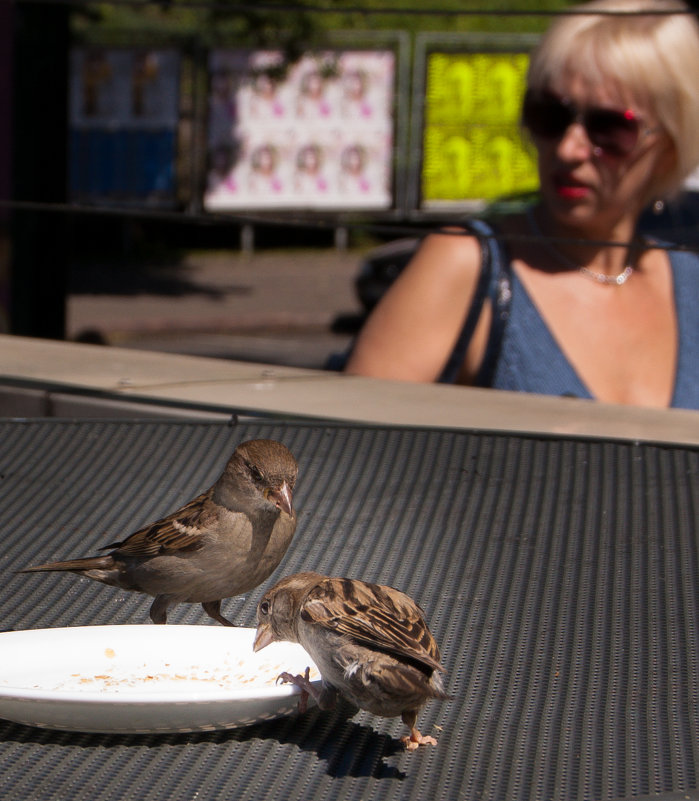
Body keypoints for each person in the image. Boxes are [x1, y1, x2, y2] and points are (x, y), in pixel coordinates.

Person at [345, 0, 699, 409]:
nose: (568, 149)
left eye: (609, 128)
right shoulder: (470, 264)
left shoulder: (689, 284)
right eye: (550, 115)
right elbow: (353, 453)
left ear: (669, 147)